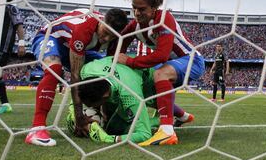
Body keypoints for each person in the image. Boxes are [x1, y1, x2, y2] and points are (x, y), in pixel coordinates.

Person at [111, 0, 205, 146]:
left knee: (160, 73)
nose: (136, 13)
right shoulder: (135, 25)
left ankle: (167, 131)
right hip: (171, 64)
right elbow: (119, 45)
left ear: (154, 8)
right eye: (134, 8)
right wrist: (111, 61)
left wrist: (130, 61)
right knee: (145, 88)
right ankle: (182, 116)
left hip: (192, 61)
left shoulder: (164, 19)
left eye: (142, 9)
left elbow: (161, 55)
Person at [25, 8, 128, 147]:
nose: (106, 39)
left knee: (105, 70)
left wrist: (105, 112)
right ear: (101, 21)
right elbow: (75, 76)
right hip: (50, 37)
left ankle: (105, 118)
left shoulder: (115, 38)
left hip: (76, 46)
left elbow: (108, 75)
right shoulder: (84, 30)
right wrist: (79, 116)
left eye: (112, 36)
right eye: (105, 33)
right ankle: (37, 129)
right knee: (54, 69)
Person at [66, 56, 194, 144]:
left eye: (95, 106)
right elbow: (78, 95)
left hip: (147, 83)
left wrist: (111, 139)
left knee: (120, 128)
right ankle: (184, 116)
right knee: (111, 124)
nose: (94, 107)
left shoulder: (130, 95)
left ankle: (164, 119)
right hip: (122, 75)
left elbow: (144, 134)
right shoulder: (86, 72)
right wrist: (77, 116)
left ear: (105, 97)